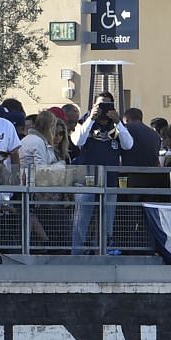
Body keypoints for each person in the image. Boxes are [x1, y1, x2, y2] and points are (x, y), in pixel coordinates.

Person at [71, 95, 133, 253]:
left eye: (107, 105)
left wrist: (118, 121)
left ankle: (104, 251)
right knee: (81, 220)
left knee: (107, 221)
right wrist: (91, 118)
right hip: (86, 180)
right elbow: (78, 141)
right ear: (93, 105)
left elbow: (128, 145)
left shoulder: (117, 124)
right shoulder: (85, 120)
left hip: (110, 180)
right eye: (100, 105)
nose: (104, 108)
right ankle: (76, 253)